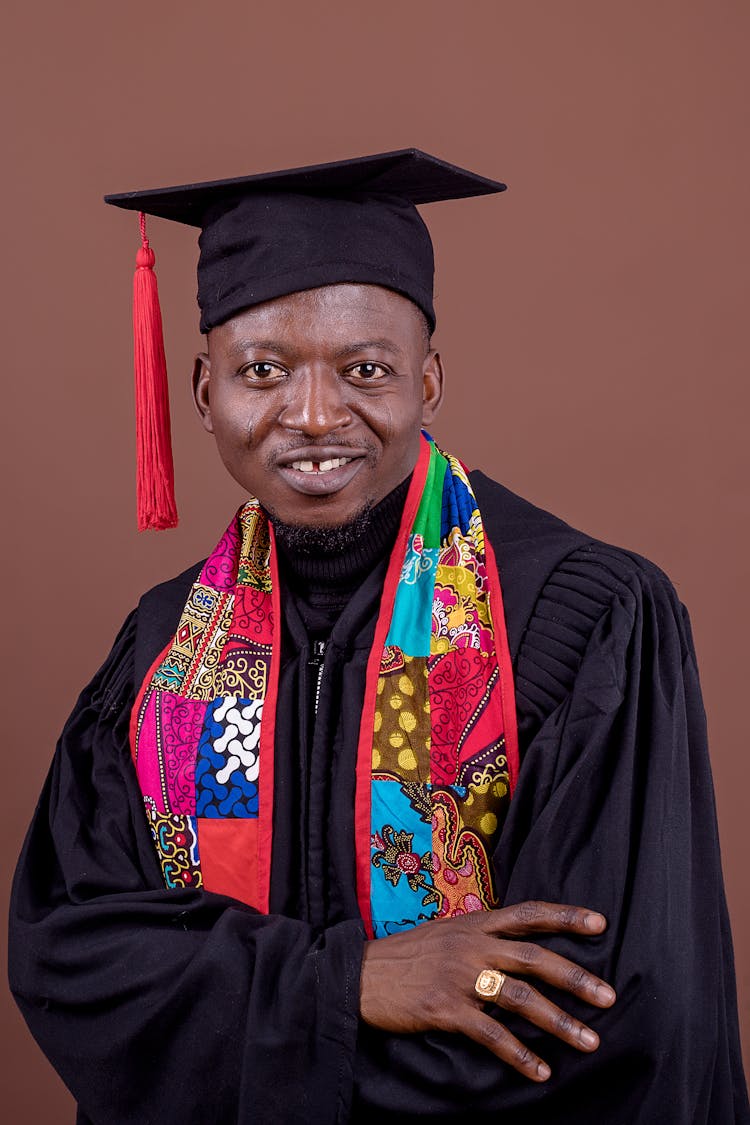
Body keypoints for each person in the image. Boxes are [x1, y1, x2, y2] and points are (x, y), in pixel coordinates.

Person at [9, 149, 749, 1124]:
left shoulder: (586, 615)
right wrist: (347, 982)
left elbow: (616, 1018)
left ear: (428, 381)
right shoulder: (161, 650)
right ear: (202, 392)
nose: (314, 417)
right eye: (262, 371)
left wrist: (267, 1027)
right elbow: (75, 956)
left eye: (365, 368)